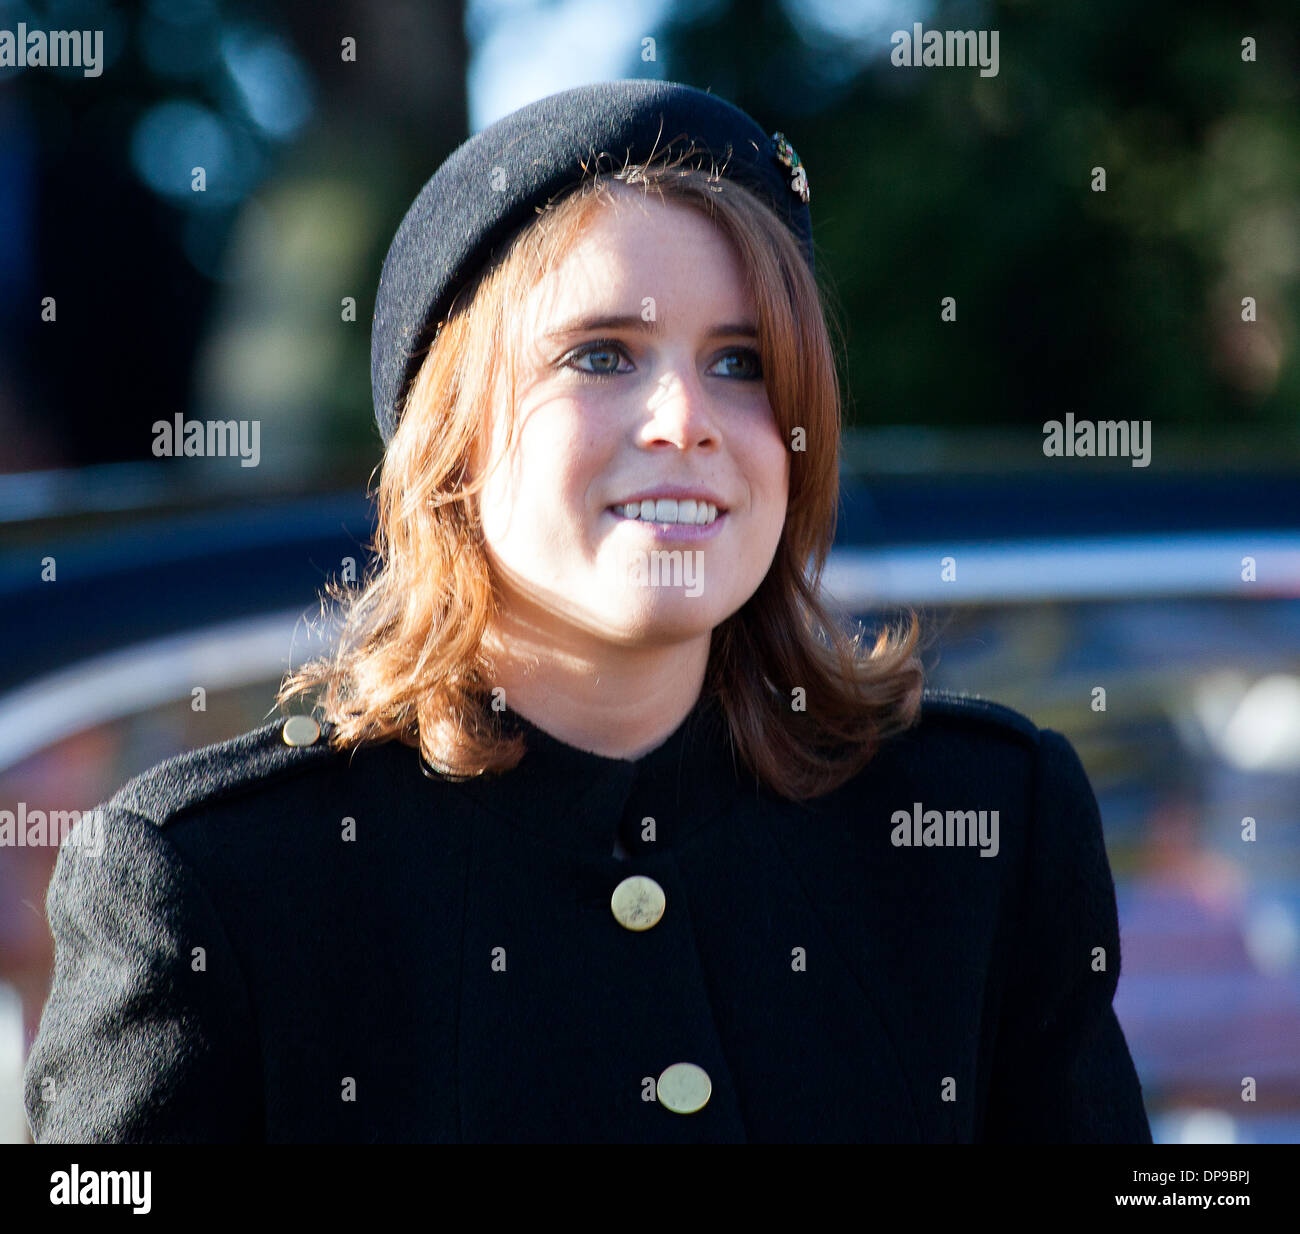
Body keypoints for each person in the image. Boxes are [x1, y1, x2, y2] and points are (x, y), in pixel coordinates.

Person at [23, 79, 1152, 1143]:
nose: (682, 419)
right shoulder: (217, 883)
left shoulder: (982, 827)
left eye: (743, 362)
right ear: (452, 439)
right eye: (603, 354)